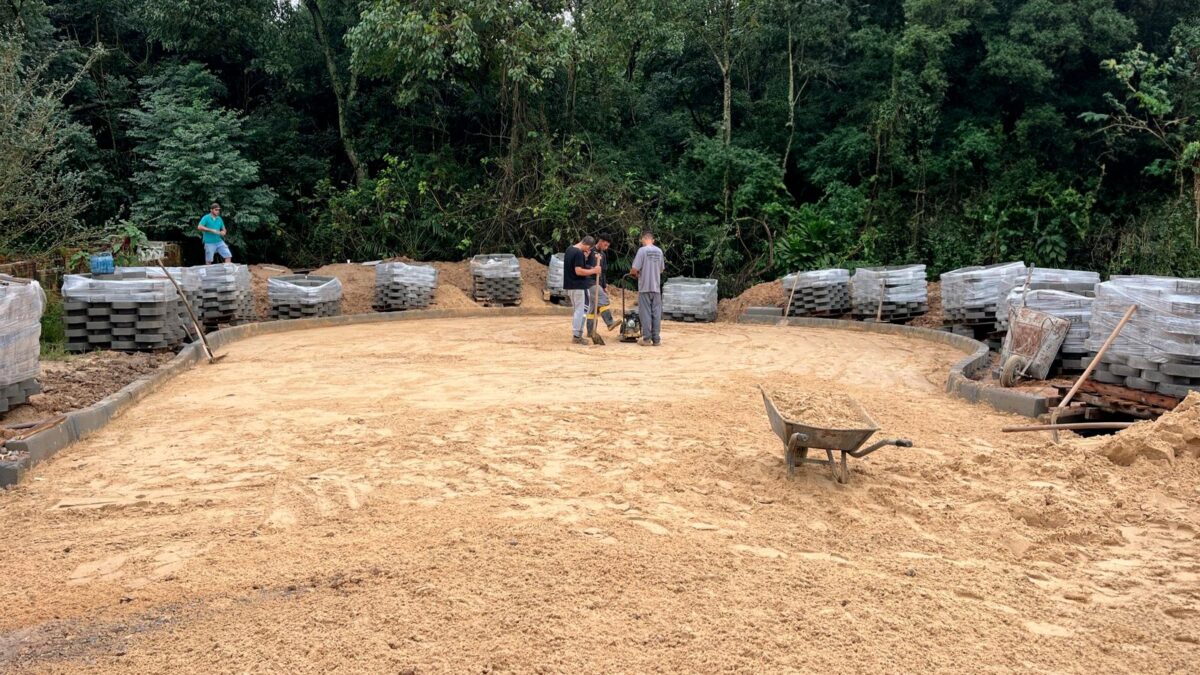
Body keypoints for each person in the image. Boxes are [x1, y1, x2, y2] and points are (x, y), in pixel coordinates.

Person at [563, 236, 602, 345]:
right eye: (588, 249)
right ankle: (577, 335)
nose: (588, 251)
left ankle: (577, 334)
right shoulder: (579, 253)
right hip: (579, 286)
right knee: (582, 310)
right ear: (587, 245)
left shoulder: (570, 249)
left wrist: (587, 261)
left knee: (578, 310)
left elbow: (577, 266)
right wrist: (594, 270)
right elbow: (578, 271)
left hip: (570, 286)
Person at [630, 230, 665, 346]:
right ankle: (656, 339)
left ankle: (646, 339)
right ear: (653, 240)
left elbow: (634, 269)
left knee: (645, 313)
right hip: (656, 288)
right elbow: (661, 269)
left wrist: (635, 274)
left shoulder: (642, 250)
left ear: (643, 240)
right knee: (656, 313)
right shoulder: (659, 251)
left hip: (645, 287)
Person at [587, 233, 619, 332]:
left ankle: (591, 331)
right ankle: (610, 323)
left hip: (599, 283)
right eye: (605, 245)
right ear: (600, 241)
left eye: (608, 246)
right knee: (603, 299)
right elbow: (582, 265)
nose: (606, 247)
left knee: (594, 308)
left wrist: (604, 286)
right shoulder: (589, 251)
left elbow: (604, 272)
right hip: (589, 282)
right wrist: (592, 269)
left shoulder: (603, 255)